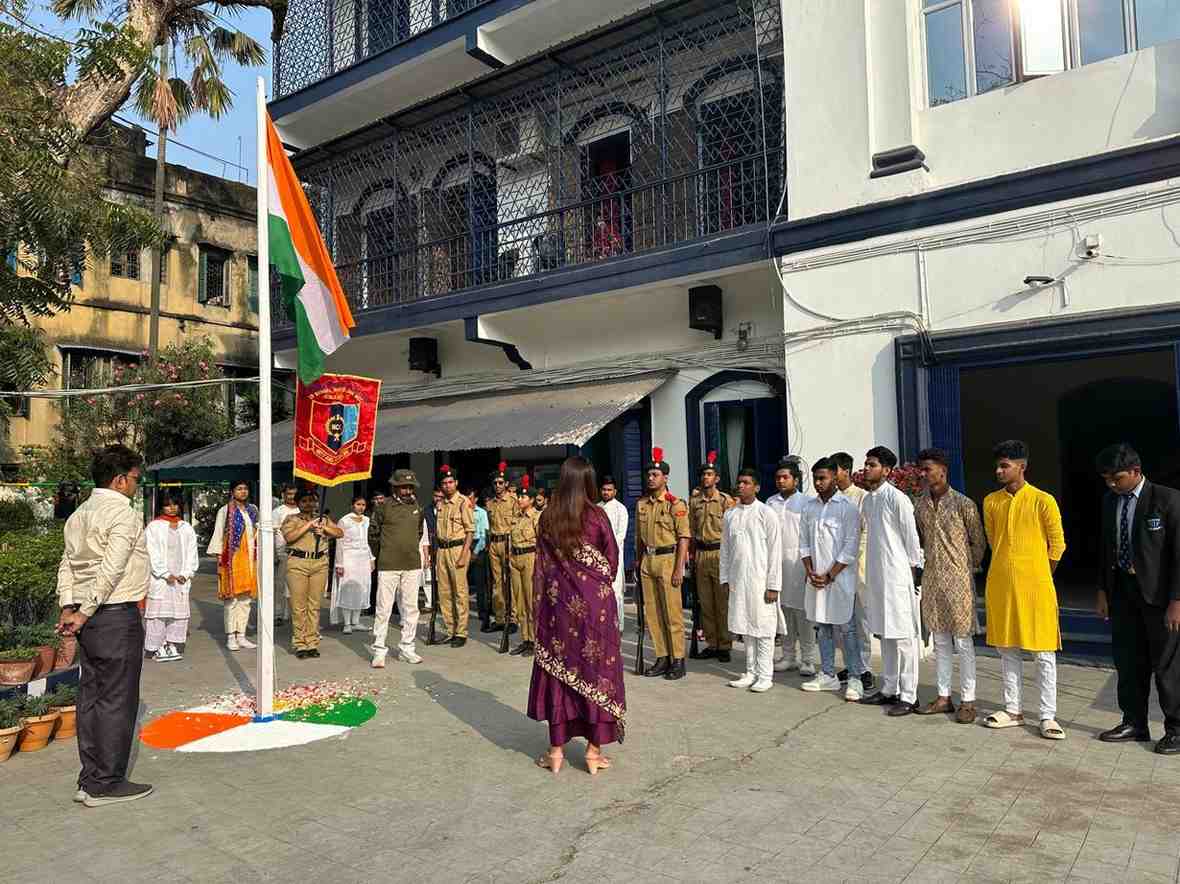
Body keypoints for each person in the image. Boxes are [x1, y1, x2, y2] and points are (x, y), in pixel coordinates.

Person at [56, 444, 152, 807]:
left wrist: (69, 607)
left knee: (92, 697)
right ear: (120, 480)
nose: (136, 486)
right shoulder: (123, 514)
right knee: (116, 699)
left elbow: (67, 564)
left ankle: (90, 778)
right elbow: (111, 569)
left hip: (90, 618)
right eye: (135, 479)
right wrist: (83, 611)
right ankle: (106, 783)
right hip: (113, 616)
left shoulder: (79, 514)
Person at [528, 456, 624, 774]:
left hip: (558, 609)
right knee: (597, 672)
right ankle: (593, 753)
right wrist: (591, 584)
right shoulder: (597, 516)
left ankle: (556, 752)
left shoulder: (548, 517)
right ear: (589, 481)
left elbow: (541, 568)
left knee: (559, 673)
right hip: (596, 609)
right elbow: (611, 562)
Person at [1095, 443, 1180, 755]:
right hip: (1122, 592)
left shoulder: (1167, 500)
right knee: (1128, 661)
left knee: (1168, 665)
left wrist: (1177, 601)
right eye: (1106, 479)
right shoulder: (1109, 501)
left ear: (1135, 471)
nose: (1111, 484)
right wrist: (1103, 591)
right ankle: (1134, 722)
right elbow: (1106, 549)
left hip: (1160, 597)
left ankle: (1176, 729)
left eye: (1116, 478)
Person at [982, 440, 1067, 740]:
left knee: (1043, 653)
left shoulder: (1043, 500)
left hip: (1037, 588)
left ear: (1022, 466)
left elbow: (1057, 545)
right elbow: (994, 541)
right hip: (1001, 586)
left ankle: (1047, 715)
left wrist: (1039, 574)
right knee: (1007, 650)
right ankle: (1013, 710)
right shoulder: (991, 501)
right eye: (997, 466)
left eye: (1005, 465)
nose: (999, 471)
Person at [912, 448, 986, 724]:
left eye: (927, 469)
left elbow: (978, 543)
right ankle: (943, 697)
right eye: (920, 469)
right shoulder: (920, 505)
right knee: (940, 641)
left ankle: (968, 700)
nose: (923, 474)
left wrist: (963, 569)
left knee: (963, 642)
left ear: (942, 470)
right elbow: (919, 541)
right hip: (932, 581)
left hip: (959, 582)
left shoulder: (963, 504)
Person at [857, 447, 924, 715]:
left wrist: (916, 568)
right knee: (885, 633)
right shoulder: (868, 500)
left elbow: (911, 537)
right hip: (877, 576)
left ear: (886, 470)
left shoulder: (898, 499)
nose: (866, 468)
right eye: (866, 464)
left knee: (904, 636)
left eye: (872, 464)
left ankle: (909, 695)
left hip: (897, 575)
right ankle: (889, 689)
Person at [799, 457, 866, 700]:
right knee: (822, 626)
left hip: (839, 579)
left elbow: (850, 547)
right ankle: (827, 674)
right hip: (816, 579)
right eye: (815, 478)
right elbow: (804, 543)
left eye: (823, 478)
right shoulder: (809, 507)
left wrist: (829, 575)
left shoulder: (847, 508)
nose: (818, 483)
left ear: (834, 478)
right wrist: (810, 572)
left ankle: (856, 678)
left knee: (847, 628)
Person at [722, 468, 783, 692]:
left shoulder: (766, 513)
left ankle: (765, 675)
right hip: (738, 579)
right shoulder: (730, 514)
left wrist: (773, 585)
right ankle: (750, 672)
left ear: (756, 487)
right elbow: (725, 549)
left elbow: (775, 551)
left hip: (761, 580)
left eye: (746, 482)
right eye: (739, 482)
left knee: (763, 627)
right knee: (745, 625)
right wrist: (725, 578)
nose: (741, 486)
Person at [636, 447, 691, 680]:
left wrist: (679, 568)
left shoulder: (675, 504)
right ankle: (662, 656)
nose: (650, 478)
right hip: (647, 561)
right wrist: (637, 562)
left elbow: (684, 537)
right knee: (653, 613)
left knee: (672, 613)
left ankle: (677, 659)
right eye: (648, 474)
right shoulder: (641, 504)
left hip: (668, 560)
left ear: (665, 478)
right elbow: (639, 538)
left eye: (655, 475)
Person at [369, 470, 430, 667]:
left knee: (411, 608)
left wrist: (408, 549)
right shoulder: (383, 507)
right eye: (404, 487)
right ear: (394, 487)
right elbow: (373, 535)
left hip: (412, 564)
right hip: (388, 565)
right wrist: (383, 554)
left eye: (410, 487)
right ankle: (379, 650)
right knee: (383, 608)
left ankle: (407, 648)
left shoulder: (417, 507)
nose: (408, 490)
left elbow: (419, 533)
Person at [768, 457, 818, 676]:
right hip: (777, 564)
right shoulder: (770, 502)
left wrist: (811, 566)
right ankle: (788, 656)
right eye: (778, 477)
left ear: (796, 480)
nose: (781, 481)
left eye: (785, 477)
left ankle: (808, 659)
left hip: (799, 564)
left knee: (803, 614)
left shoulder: (807, 503)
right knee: (783, 611)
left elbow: (812, 536)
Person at [281, 488, 342, 659]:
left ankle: (312, 642)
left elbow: (339, 533)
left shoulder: (323, 518)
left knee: (314, 605)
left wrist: (325, 529)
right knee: (298, 605)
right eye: (305, 501)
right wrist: (309, 525)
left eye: (312, 500)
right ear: (298, 503)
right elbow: (289, 537)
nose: (309, 504)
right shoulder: (291, 519)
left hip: (319, 563)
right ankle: (300, 643)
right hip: (298, 563)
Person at [831, 452, 874, 691]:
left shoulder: (862, 497)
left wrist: (852, 559)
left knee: (861, 622)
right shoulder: (832, 500)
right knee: (841, 624)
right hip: (835, 570)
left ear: (846, 471)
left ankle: (865, 668)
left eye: (834, 470)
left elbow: (865, 534)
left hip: (858, 568)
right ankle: (850, 665)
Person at [689, 451, 736, 663]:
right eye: (703, 474)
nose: (705, 477)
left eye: (709, 474)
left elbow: (733, 532)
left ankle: (725, 645)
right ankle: (712, 643)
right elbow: (690, 529)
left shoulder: (726, 501)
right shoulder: (695, 501)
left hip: (720, 553)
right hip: (700, 553)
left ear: (716, 478)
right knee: (706, 602)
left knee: (722, 602)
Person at [143, 494, 198, 663]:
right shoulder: (154, 527)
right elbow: (151, 552)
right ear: (161, 507)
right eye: (167, 505)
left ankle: (171, 644)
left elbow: (192, 552)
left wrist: (186, 573)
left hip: (181, 579)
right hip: (160, 579)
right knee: (158, 614)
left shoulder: (186, 527)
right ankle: (157, 646)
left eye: (175, 504)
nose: (172, 508)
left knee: (178, 615)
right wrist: (165, 574)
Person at [207, 480, 260, 651]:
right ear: (232, 492)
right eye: (239, 489)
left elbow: (258, 531)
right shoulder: (225, 510)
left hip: (250, 558)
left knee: (246, 599)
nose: (243, 492)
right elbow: (218, 533)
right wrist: (219, 558)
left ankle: (241, 636)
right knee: (232, 599)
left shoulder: (253, 510)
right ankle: (231, 636)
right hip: (232, 558)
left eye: (245, 488)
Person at [433, 465, 474, 647]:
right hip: (442, 550)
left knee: (459, 592)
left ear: (456, 483)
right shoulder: (440, 504)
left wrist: (464, 555)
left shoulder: (463, 502)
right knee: (444, 592)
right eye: (444, 483)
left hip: (458, 549)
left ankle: (461, 632)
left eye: (450, 482)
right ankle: (450, 630)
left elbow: (470, 531)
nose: (447, 485)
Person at [330, 495, 374, 634]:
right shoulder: (345, 520)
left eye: (363, 505)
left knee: (362, 588)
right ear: (352, 505)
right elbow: (339, 542)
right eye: (358, 504)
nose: (361, 507)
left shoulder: (367, 520)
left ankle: (356, 621)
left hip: (363, 557)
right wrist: (339, 564)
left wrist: (371, 558)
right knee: (348, 589)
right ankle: (347, 623)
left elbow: (368, 541)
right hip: (349, 558)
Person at [508, 476, 542, 656]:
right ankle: (525, 639)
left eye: (523, 497)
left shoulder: (536, 517)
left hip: (530, 557)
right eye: (519, 497)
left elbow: (542, 542)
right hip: (515, 558)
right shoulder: (517, 517)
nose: (520, 499)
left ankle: (535, 641)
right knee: (519, 600)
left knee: (530, 601)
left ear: (531, 500)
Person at [484, 463, 514, 633]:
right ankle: (500, 618)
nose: (497, 485)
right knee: (497, 583)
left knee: (510, 581)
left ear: (507, 484)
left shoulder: (514, 501)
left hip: (508, 542)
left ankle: (513, 618)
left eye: (501, 482)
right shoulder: (490, 503)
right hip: (494, 543)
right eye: (495, 483)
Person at [598, 475, 629, 633]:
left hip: (615, 555)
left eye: (609, 490)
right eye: (604, 489)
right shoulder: (596, 508)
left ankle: (619, 626)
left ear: (615, 491)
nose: (606, 492)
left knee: (616, 591)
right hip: (597, 557)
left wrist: (608, 548)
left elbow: (620, 535)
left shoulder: (620, 509)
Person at [272, 485, 300, 626]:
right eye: (289, 494)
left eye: (294, 494)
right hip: (283, 553)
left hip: (299, 553)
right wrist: (275, 555)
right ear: (283, 495)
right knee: (281, 585)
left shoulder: (301, 510)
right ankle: (278, 614)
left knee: (297, 587)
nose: (292, 496)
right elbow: (272, 533)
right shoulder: (277, 511)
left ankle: (295, 615)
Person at [467, 488, 490, 628]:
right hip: (464, 545)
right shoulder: (462, 510)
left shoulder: (481, 513)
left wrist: (475, 552)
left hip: (477, 546)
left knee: (480, 583)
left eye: (470, 498)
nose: (468, 500)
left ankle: (483, 612)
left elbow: (483, 535)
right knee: (462, 582)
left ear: (475, 499)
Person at [365, 490, 387, 616]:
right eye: (376, 499)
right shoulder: (367, 514)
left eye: (381, 498)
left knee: (385, 578)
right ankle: (371, 605)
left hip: (385, 547)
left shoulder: (388, 513)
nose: (379, 501)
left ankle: (388, 605)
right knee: (372, 578)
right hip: (371, 547)